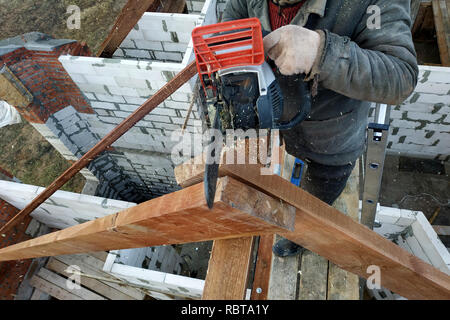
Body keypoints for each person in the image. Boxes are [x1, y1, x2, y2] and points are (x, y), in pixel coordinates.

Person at [222, 0, 418, 257]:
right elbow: (228, 29)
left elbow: (400, 75)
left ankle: (299, 237)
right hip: (277, 120)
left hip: (332, 137)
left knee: (314, 201)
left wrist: (322, 52)